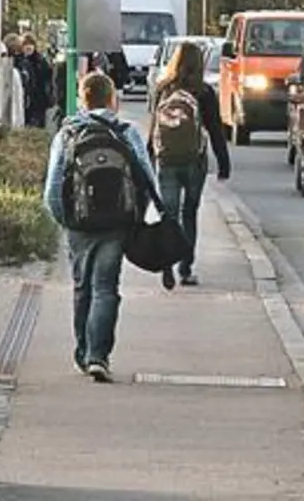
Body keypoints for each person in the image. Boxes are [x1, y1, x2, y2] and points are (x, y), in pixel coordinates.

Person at [42, 71, 161, 383]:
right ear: (113, 99)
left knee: (82, 287)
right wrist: (140, 215)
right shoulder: (126, 132)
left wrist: (63, 218)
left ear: (83, 99)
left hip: (79, 224)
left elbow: (53, 187)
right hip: (117, 223)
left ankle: (83, 353)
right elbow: (147, 178)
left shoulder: (67, 134)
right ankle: (99, 355)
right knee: (106, 287)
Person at [147, 42, 232, 289]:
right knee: (189, 213)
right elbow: (215, 130)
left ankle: (166, 264)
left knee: (169, 214)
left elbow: (155, 127)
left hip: (166, 160)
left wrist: (148, 157)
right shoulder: (203, 92)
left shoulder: (163, 89)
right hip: (194, 161)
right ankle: (186, 268)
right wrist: (224, 163)